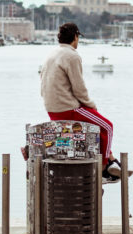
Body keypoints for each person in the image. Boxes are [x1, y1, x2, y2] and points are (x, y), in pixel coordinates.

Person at [38, 22, 123, 180]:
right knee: (107, 127)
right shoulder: (72, 56)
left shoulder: (51, 54)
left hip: (51, 109)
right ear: (75, 37)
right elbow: (79, 88)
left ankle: (110, 159)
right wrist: (92, 107)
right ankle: (104, 169)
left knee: (96, 127)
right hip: (67, 108)